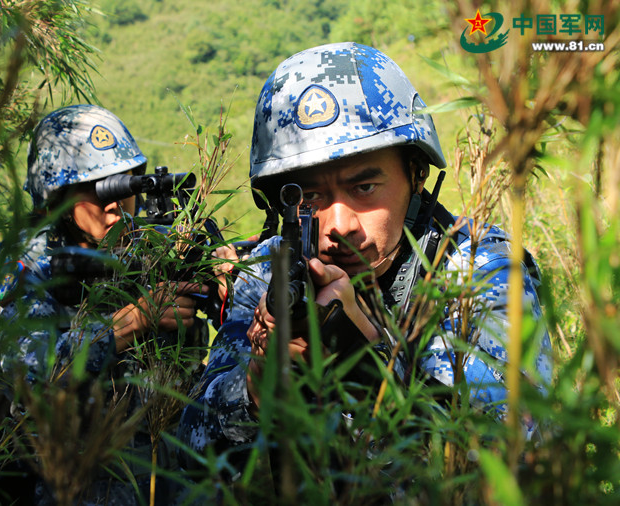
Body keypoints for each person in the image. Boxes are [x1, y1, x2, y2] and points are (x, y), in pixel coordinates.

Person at [178, 43, 552, 464]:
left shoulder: (479, 272)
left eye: (364, 188)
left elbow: (515, 455)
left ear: (415, 175)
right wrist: (255, 389)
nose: (339, 224)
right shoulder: (269, 274)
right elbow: (188, 452)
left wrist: (366, 353)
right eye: (311, 196)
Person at [0, 104, 234, 504]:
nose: (116, 202)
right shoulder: (22, 265)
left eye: (124, 185)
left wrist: (226, 282)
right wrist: (129, 324)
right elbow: (36, 381)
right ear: (55, 197)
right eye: (96, 188)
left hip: (169, 469)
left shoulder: (157, 244)